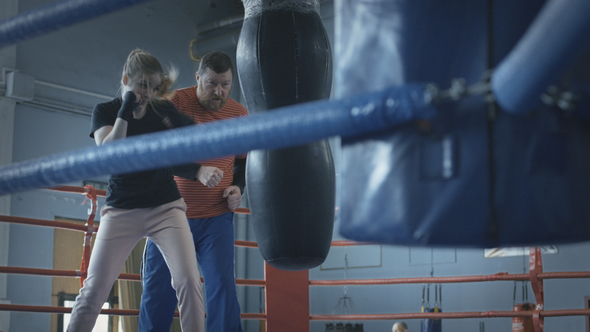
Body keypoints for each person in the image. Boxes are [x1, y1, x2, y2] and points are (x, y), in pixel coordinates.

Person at [67, 49, 204, 332]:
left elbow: (193, 140)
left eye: (154, 88)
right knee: (94, 290)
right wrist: (125, 109)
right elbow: (110, 153)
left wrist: (179, 125)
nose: (148, 94)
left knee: (189, 282)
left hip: (165, 209)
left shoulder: (161, 110)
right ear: (126, 79)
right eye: (142, 85)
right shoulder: (105, 111)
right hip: (121, 210)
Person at [138, 51, 248, 332]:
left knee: (222, 289)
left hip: (216, 218)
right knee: (158, 291)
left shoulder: (238, 114)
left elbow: (243, 163)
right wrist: (197, 171)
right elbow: (157, 155)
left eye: (225, 85)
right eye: (211, 83)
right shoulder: (174, 104)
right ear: (198, 77)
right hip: (169, 215)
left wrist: (238, 187)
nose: (218, 91)